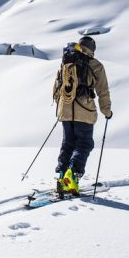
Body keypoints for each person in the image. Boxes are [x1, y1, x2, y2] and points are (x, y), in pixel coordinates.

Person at [53, 35, 112, 195]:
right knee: (84, 144)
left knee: (68, 144)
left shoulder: (66, 61)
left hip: (65, 108)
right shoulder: (95, 65)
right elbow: (103, 91)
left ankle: (61, 177)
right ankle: (72, 175)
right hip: (84, 110)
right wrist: (107, 111)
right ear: (92, 49)